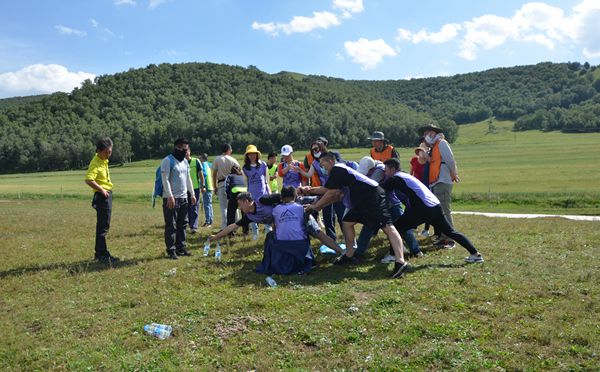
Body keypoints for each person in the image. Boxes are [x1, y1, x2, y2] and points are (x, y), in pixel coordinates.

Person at [304, 152, 410, 279]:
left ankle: (400, 262)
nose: (322, 168)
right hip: (362, 200)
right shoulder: (337, 172)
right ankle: (349, 255)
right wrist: (309, 190)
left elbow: (332, 193)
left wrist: (316, 207)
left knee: (388, 227)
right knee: (347, 222)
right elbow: (327, 190)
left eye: (323, 164)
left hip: (372, 196)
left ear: (331, 161)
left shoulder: (338, 169)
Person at [381, 158, 483, 263]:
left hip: (423, 208)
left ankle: (393, 255)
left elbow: (379, 190)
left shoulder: (395, 178)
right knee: (451, 232)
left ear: (392, 169)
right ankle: (475, 254)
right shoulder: (405, 175)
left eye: (386, 170)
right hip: (435, 205)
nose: (385, 172)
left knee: (395, 228)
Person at [208, 190, 344, 256]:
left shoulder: (263, 200)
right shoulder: (250, 216)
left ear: (246, 201)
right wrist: (215, 237)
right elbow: (232, 226)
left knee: (318, 232)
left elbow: (286, 197)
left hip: (298, 210)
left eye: (240, 205)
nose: (240, 208)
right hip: (288, 224)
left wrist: (301, 207)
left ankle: (341, 252)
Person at [353, 156, 423, 262]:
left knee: (403, 228)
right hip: (378, 205)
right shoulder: (368, 168)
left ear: (371, 169)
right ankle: (358, 254)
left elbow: (373, 189)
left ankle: (416, 250)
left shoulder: (379, 170)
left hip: (391, 204)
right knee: (368, 228)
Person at [419, 124, 460, 248]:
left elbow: (450, 159)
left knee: (445, 210)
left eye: (429, 133)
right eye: (425, 134)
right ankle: (443, 236)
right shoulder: (434, 147)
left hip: (442, 180)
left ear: (435, 133)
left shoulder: (441, 143)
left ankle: (450, 238)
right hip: (437, 181)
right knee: (441, 211)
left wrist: (454, 173)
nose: (426, 136)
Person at [299, 140, 345, 241]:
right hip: (325, 190)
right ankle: (332, 239)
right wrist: (299, 170)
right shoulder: (315, 162)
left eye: (316, 149)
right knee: (327, 216)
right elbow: (309, 175)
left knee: (341, 215)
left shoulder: (331, 156)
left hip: (337, 190)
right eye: (312, 150)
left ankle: (348, 239)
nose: (314, 151)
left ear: (321, 147)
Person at [85, 137, 119, 263]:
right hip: (102, 197)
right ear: (99, 150)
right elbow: (89, 179)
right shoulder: (96, 162)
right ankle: (102, 254)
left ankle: (99, 252)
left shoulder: (103, 160)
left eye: (110, 151)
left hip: (106, 195)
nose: (109, 154)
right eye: (107, 152)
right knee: (103, 226)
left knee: (104, 225)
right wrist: (102, 190)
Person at [161, 138, 196, 259]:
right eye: (185, 149)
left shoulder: (185, 162)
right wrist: (170, 196)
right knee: (171, 225)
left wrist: (191, 194)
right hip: (171, 198)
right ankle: (171, 250)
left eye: (187, 150)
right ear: (178, 148)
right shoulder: (167, 160)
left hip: (184, 197)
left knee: (183, 224)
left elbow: (188, 179)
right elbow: (165, 180)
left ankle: (181, 247)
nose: (186, 152)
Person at [212, 143, 240, 229]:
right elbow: (239, 172)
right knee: (234, 205)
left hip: (221, 184)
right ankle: (236, 224)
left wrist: (214, 186)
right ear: (229, 150)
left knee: (224, 207)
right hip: (232, 185)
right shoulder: (233, 160)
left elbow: (214, 174)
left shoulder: (217, 159)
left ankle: (224, 227)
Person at [410, 142, 432, 237]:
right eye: (420, 151)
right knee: (414, 206)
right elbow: (411, 173)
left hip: (426, 188)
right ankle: (413, 227)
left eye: (423, 151)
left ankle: (426, 229)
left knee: (427, 208)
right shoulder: (414, 160)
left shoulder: (429, 163)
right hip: (416, 187)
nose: (421, 153)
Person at [185, 148, 204, 233]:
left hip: (195, 188)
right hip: (184, 189)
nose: (185, 153)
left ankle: (194, 227)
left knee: (194, 207)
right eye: (184, 151)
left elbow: (201, 175)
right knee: (186, 207)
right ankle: (187, 224)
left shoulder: (196, 161)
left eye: (187, 151)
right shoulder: (181, 162)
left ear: (190, 152)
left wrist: (202, 186)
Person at [224, 165, 248, 233]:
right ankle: (246, 231)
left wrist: (229, 196)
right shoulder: (243, 177)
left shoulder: (229, 176)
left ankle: (230, 232)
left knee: (231, 214)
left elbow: (226, 187)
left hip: (235, 193)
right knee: (244, 213)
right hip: (244, 193)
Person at [199, 153, 214, 227]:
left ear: (203, 158)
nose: (199, 158)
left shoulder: (203, 164)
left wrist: (202, 185)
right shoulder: (209, 164)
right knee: (209, 204)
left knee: (206, 204)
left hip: (207, 186)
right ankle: (210, 220)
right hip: (210, 186)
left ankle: (208, 221)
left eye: (200, 157)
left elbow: (204, 175)